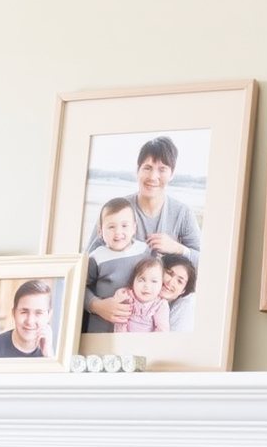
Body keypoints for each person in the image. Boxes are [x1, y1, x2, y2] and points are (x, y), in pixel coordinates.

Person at [87, 137, 201, 330]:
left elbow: (208, 267)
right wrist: (96, 306)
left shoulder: (183, 213)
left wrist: (178, 249)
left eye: (162, 169)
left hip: (156, 318)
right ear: (137, 170)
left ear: (172, 173)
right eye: (147, 167)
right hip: (114, 318)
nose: (153, 176)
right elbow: (81, 271)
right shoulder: (117, 211)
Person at [84, 197, 149, 332]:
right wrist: (95, 305)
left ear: (134, 228)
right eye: (111, 227)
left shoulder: (144, 251)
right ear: (100, 232)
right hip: (103, 325)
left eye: (124, 226)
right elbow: (81, 288)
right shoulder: (96, 257)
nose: (118, 232)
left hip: (136, 326)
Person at [0, 280, 54, 358]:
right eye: (24, 312)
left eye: (38, 313)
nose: (30, 321)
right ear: (13, 313)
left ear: (49, 316)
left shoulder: (53, 354)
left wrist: (49, 358)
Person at [113, 256, 170, 333]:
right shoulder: (127, 297)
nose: (146, 286)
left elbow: (162, 329)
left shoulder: (160, 304)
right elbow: (120, 324)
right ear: (133, 282)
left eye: (154, 281)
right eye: (141, 280)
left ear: (161, 284)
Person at [160, 258, 197, 333]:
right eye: (169, 273)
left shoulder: (186, 307)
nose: (170, 282)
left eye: (179, 281)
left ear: (183, 291)